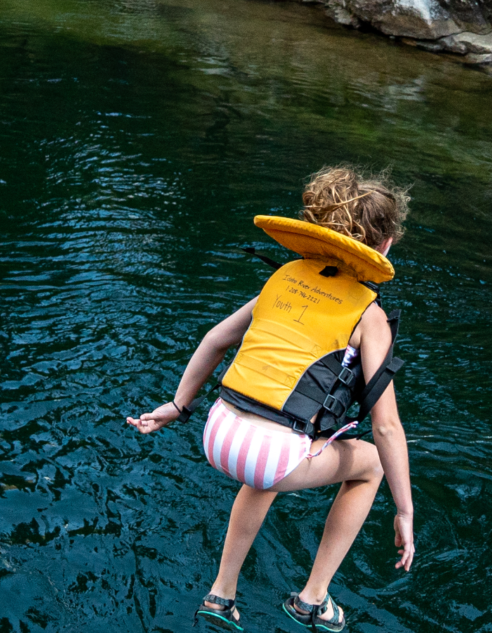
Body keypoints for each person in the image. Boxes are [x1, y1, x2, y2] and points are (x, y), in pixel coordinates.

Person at [126, 166, 416, 632]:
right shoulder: (370, 314)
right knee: (371, 465)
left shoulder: (283, 276)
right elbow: (385, 426)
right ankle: (313, 599)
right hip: (269, 454)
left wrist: (178, 407)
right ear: (383, 246)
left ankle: (221, 594)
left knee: (267, 463)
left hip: (216, 431)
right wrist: (404, 511)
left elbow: (215, 339)